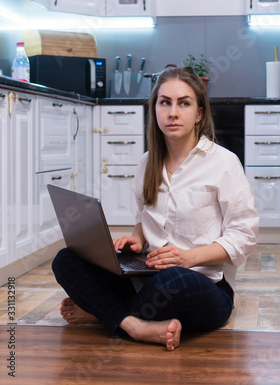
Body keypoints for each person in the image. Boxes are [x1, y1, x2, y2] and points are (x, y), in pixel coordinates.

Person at [52, 66, 259, 351]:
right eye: (165, 102)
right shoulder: (146, 164)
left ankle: (102, 313)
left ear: (199, 113)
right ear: (156, 109)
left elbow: (243, 236)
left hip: (201, 286)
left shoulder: (224, 163)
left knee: (174, 279)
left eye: (184, 103)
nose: (173, 112)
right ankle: (134, 325)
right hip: (147, 280)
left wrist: (187, 257)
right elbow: (144, 218)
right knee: (66, 258)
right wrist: (136, 238)